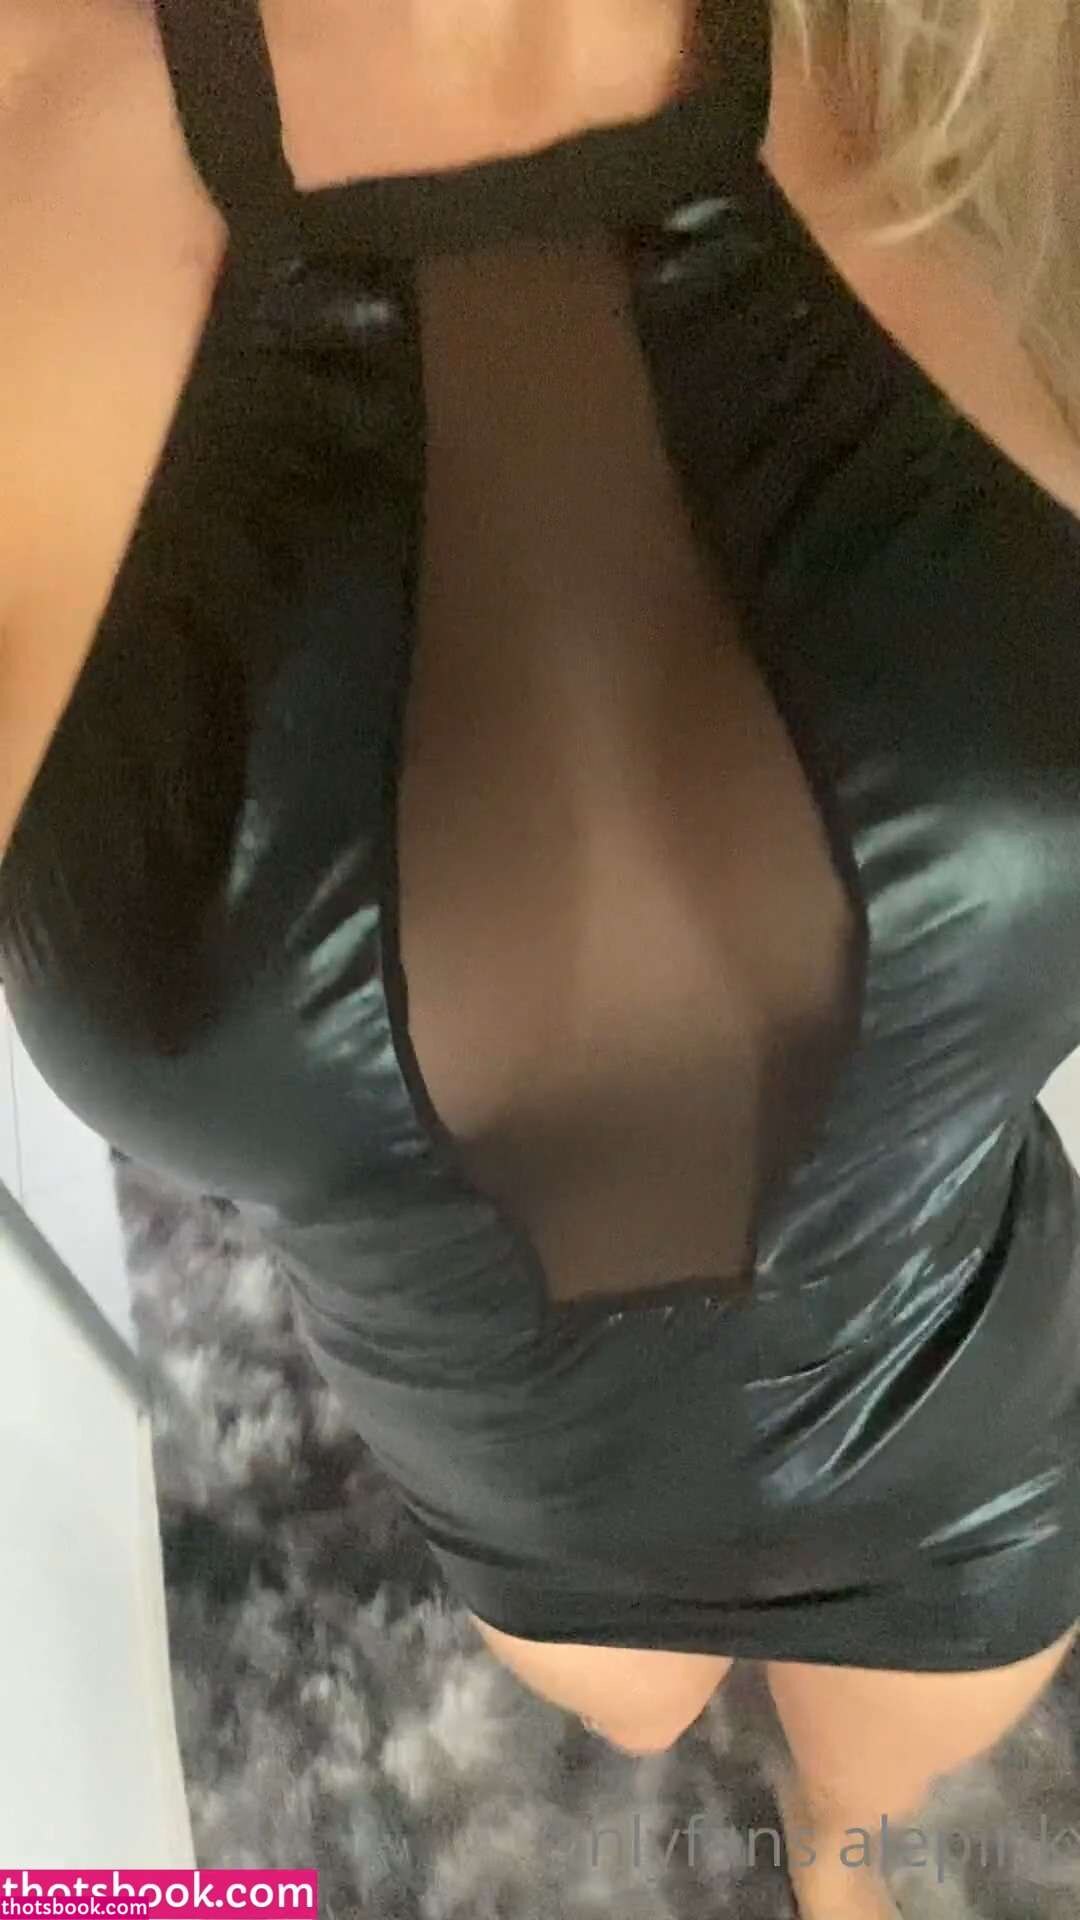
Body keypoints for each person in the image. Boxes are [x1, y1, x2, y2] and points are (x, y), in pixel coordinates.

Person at [3, 0, 1080, 1911]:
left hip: (961, 1438)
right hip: (511, 1491)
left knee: (879, 1787)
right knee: (638, 1709)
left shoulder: (1004, 74)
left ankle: (837, 1862)